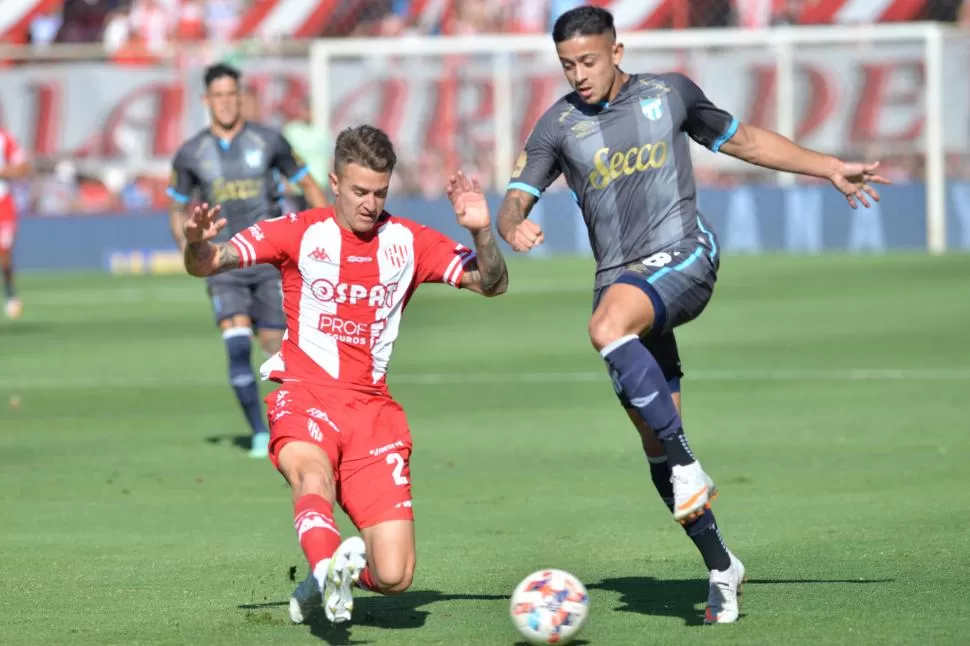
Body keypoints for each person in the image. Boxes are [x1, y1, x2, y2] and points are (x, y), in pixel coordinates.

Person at [496, 6, 890, 625]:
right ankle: (721, 565)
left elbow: (746, 139)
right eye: (568, 65)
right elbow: (513, 200)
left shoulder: (669, 94)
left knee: (607, 332)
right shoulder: (557, 126)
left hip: (684, 254)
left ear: (617, 52)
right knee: (655, 442)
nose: (579, 74)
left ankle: (688, 464)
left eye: (589, 61)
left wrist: (829, 167)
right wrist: (512, 224)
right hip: (622, 285)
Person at [181, 124, 508, 624]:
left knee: (395, 576)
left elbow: (491, 284)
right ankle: (326, 569)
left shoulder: (409, 241)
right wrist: (195, 245)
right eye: (359, 191)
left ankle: (328, 577)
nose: (370, 204)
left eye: (380, 193)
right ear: (334, 183)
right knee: (310, 475)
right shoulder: (297, 231)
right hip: (305, 395)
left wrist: (481, 231)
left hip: (371, 414)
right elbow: (209, 263)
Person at [168, 62, 328, 458]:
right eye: (218, 95)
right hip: (222, 261)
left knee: (276, 347)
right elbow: (176, 208)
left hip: (270, 260)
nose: (225, 102)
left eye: (231, 94)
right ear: (206, 100)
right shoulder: (190, 153)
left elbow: (308, 185)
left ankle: (294, 425)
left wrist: (327, 234)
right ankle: (259, 432)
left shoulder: (269, 141)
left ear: (241, 97)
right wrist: (190, 247)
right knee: (237, 344)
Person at [0, 129, 31, 320]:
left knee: (4, 251)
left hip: (2, 203)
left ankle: (10, 293)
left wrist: (3, 171)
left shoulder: (4, 138)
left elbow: (23, 167)